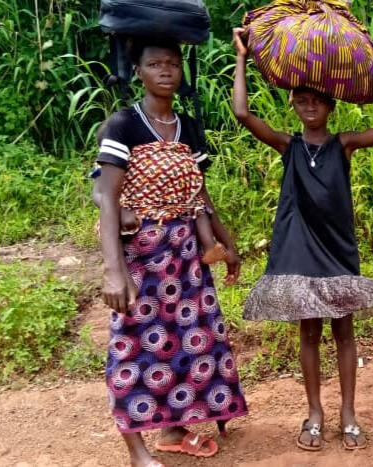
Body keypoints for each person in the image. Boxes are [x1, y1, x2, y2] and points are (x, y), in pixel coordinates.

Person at [231, 27, 373, 451]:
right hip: (300, 248)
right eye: (302, 100)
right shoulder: (288, 146)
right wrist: (242, 58)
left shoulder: (343, 145)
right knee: (309, 334)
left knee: (344, 332)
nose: (309, 107)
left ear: (330, 106)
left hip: (337, 249)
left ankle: (348, 415)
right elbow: (243, 115)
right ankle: (315, 413)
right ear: (294, 104)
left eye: (317, 101)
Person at [94, 37, 247, 467]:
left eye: (173, 64)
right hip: (141, 255)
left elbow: (200, 194)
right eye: (155, 64)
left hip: (185, 256)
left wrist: (226, 242)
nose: (166, 71)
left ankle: (173, 429)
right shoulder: (122, 125)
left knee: (187, 341)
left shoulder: (189, 127)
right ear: (138, 73)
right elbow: (107, 196)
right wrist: (113, 270)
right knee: (133, 348)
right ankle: (136, 451)